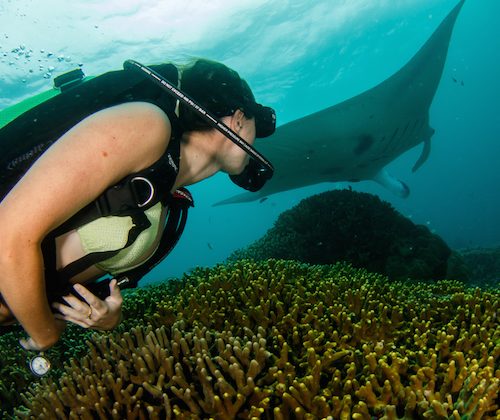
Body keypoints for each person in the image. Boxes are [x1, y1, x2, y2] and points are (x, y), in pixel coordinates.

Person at [0, 58, 276, 350]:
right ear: (238, 119)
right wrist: (46, 334)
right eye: (257, 129)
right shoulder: (148, 125)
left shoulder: (166, 193)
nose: (255, 145)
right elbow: (8, 237)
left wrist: (106, 317)